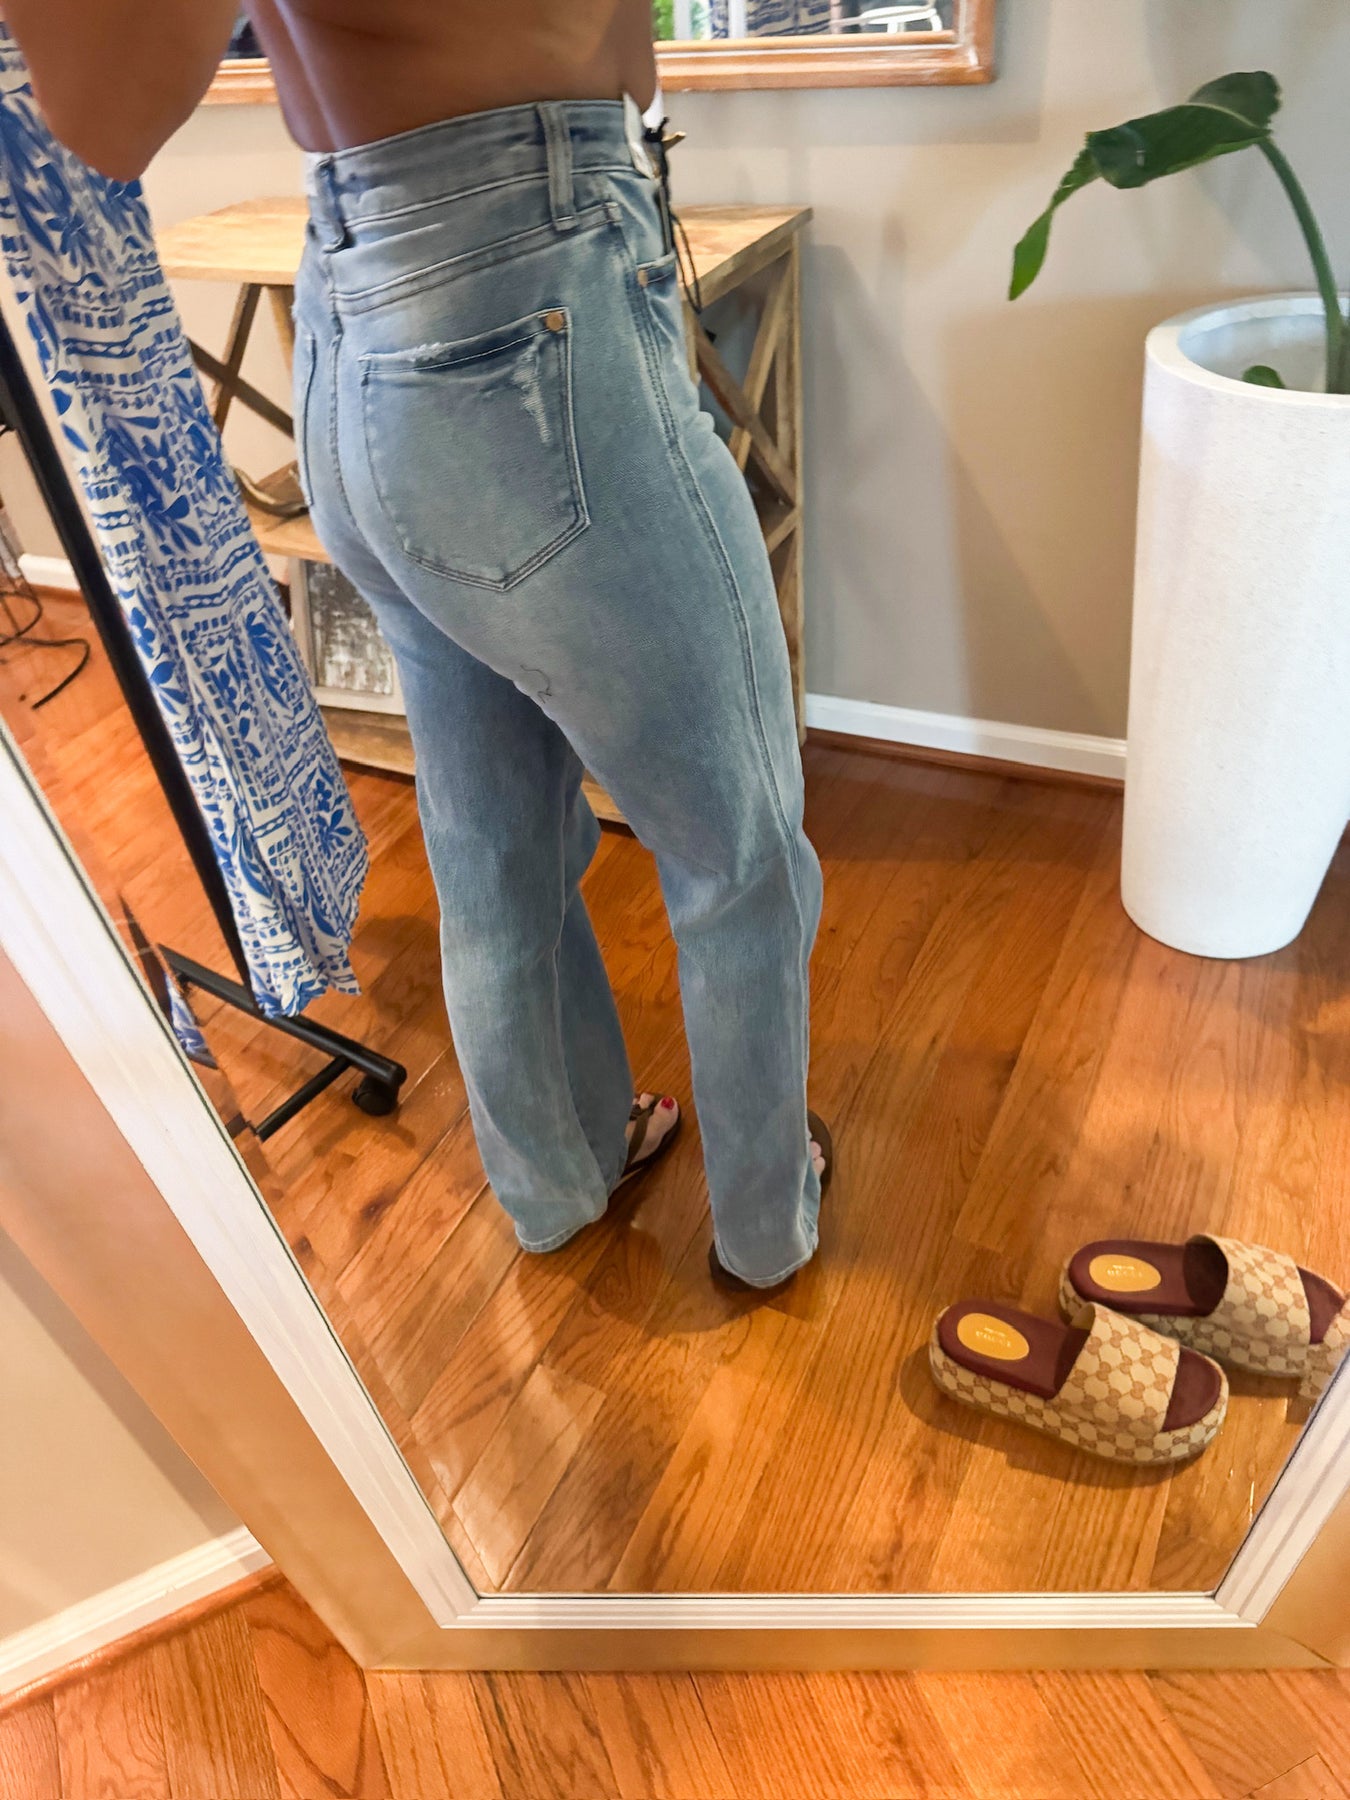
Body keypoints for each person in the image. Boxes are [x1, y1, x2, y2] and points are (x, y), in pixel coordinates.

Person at [9, 0, 830, 1290]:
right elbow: (102, 114)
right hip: (524, 302)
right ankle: (768, 1228)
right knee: (741, 854)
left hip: (376, 319)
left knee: (494, 848)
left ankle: (560, 1180)